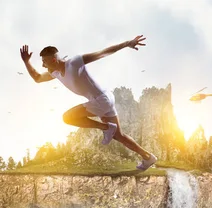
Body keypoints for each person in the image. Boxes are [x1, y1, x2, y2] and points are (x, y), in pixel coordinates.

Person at [19, 35, 157, 170]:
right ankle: (148, 157)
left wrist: (128, 43)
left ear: (54, 60)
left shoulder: (74, 63)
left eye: (45, 61)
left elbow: (103, 53)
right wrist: (26, 62)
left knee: (67, 117)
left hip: (101, 100)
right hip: (103, 98)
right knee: (118, 136)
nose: (43, 65)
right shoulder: (54, 72)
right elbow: (37, 78)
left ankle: (106, 127)